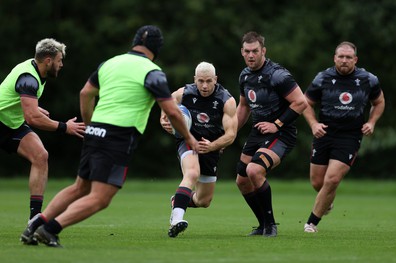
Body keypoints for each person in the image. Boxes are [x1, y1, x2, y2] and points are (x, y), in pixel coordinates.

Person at [20, 25, 199, 247]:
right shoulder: (152, 72)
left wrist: (90, 124)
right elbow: (172, 110)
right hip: (117, 136)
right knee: (101, 198)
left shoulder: (110, 63)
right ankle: (49, 229)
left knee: (80, 188)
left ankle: (34, 225)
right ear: (157, 48)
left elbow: (86, 93)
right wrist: (189, 137)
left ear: (134, 42)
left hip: (95, 131)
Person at [0, 38, 86, 239]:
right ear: (48, 60)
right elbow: (32, 118)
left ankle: (34, 217)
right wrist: (65, 127)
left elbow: (11, 96)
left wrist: (33, 107)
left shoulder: (35, 72)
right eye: (59, 60)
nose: (61, 64)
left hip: (11, 125)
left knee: (40, 156)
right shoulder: (29, 78)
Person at [303, 41, 385, 233]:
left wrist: (371, 122)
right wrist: (314, 124)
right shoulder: (323, 78)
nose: (344, 60)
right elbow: (306, 103)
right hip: (324, 133)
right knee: (318, 182)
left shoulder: (368, 79)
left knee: (332, 180)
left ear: (355, 59)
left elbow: (379, 102)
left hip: (350, 136)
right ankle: (327, 202)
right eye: (341, 56)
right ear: (334, 58)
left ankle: (311, 223)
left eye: (349, 57)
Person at [235, 31, 307, 237]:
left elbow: (300, 102)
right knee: (242, 181)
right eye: (247, 51)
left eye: (255, 51)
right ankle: (262, 225)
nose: (251, 55)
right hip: (258, 132)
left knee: (254, 171)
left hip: (281, 132)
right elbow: (243, 108)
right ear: (242, 52)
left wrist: (276, 124)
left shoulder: (277, 75)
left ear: (263, 51)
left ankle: (271, 226)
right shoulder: (244, 75)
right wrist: (228, 136)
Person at [160, 61, 237, 238]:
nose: (204, 85)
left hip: (211, 147)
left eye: (209, 81)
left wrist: (213, 146)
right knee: (192, 173)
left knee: (204, 201)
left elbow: (231, 135)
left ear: (215, 79)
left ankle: (178, 201)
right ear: (194, 79)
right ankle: (176, 220)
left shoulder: (226, 100)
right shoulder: (184, 93)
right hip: (188, 140)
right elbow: (167, 103)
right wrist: (163, 119)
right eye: (200, 81)